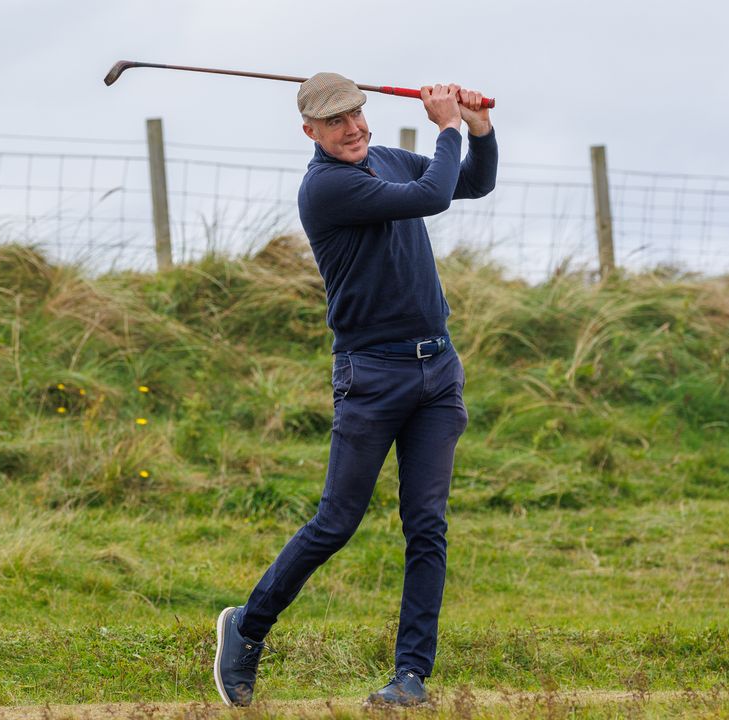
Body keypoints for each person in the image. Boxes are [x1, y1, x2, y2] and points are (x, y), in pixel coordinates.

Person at [213, 71, 497, 707]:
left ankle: (411, 677)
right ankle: (248, 628)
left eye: (357, 115)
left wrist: (478, 130)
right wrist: (448, 126)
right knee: (336, 523)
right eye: (336, 121)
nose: (354, 129)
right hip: (371, 375)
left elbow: (472, 181)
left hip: (436, 369)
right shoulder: (329, 187)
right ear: (309, 132)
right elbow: (433, 197)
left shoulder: (383, 158)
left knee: (427, 526)